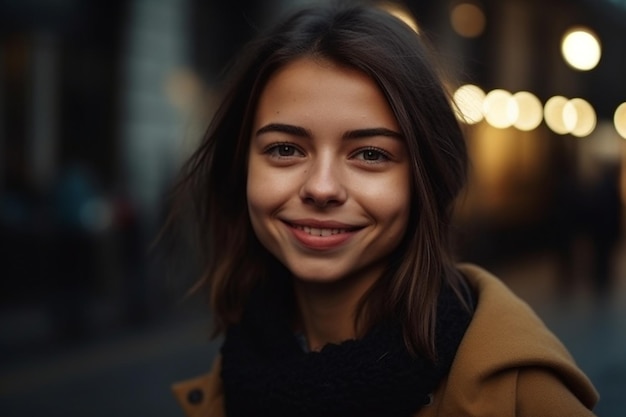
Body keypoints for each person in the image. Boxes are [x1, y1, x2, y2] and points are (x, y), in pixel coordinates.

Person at [168, 2, 599, 416]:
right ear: (241, 167)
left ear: (425, 180)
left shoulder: (522, 397)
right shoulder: (236, 379)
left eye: (370, 155)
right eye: (285, 149)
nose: (321, 187)